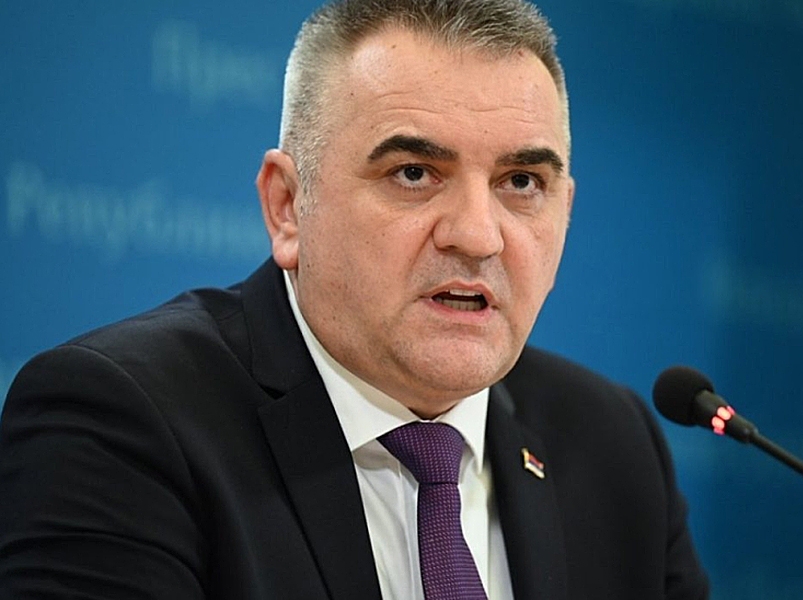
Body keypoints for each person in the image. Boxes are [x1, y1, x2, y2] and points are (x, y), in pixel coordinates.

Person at [0, 0, 709, 598]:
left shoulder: (613, 446)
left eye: (522, 183)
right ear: (287, 207)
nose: (477, 235)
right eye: (413, 172)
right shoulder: (121, 423)